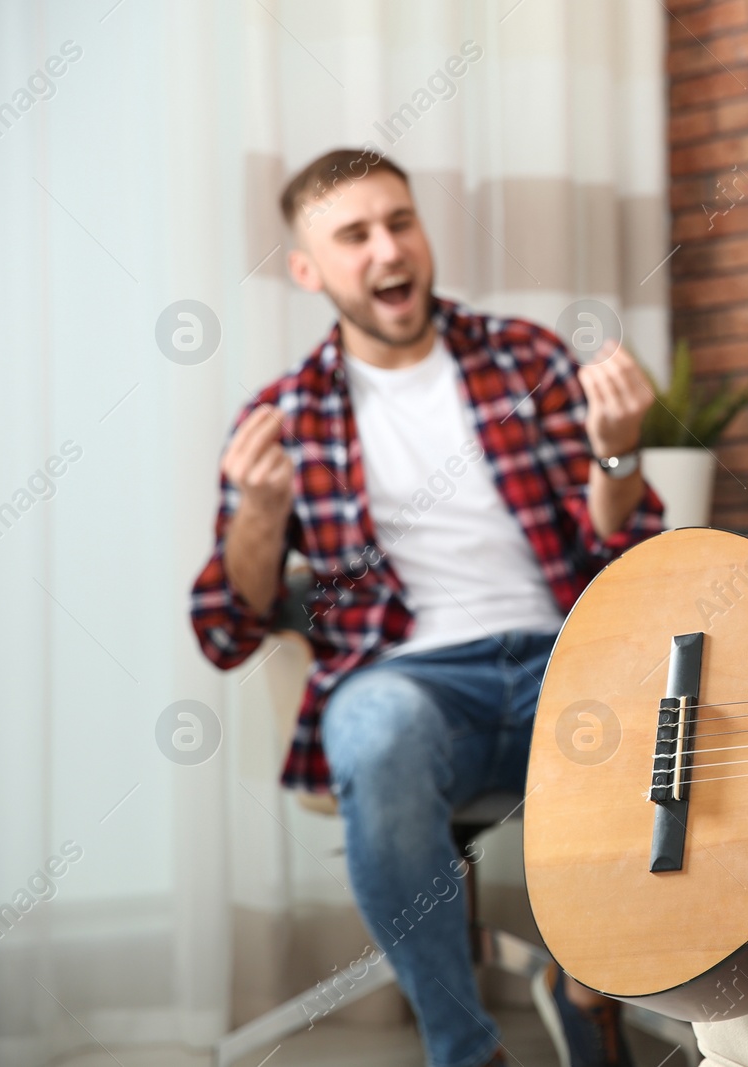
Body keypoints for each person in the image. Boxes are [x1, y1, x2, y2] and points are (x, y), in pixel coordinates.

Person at [189, 147, 663, 1067]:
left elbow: (627, 554)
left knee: (667, 703)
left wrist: (617, 454)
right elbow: (226, 628)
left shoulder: (524, 357)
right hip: (407, 682)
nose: (385, 249)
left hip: (561, 658)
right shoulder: (286, 413)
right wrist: (258, 516)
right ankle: (463, 1046)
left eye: (398, 222)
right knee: (375, 729)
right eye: (352, 234)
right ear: (308, 269)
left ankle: (591, 981)